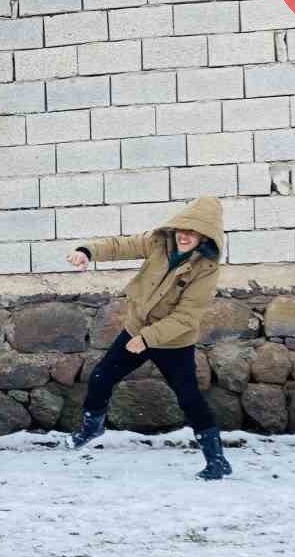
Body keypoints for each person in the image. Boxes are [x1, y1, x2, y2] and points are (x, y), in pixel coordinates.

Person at [65, 194, 233, 481]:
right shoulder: (159, 243)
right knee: (101, 378)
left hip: (173, 342)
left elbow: (186, 317)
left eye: (193, 232)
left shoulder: (206, 269)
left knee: (189, 399)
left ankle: (217, 461)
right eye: (182, 229)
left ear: (205, 236)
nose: (184, 236)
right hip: (136, 330)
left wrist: (147, 339)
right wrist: (87, 252)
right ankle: (92, 427)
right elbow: (120, 246)